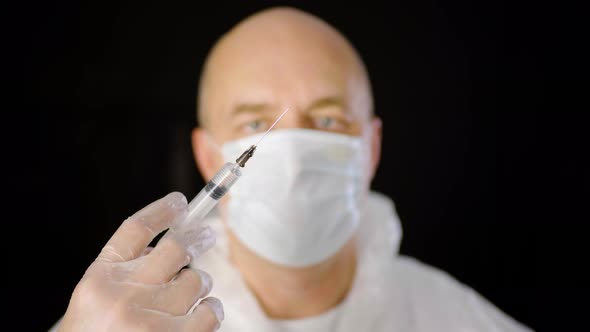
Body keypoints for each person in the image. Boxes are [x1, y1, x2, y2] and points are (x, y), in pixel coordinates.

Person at [53, 6, 533, 332]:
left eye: (327, 120)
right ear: (207, 158)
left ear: (371, 148)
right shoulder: (129, 320)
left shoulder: (451, 317)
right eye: (256, 121)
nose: (293, 154)